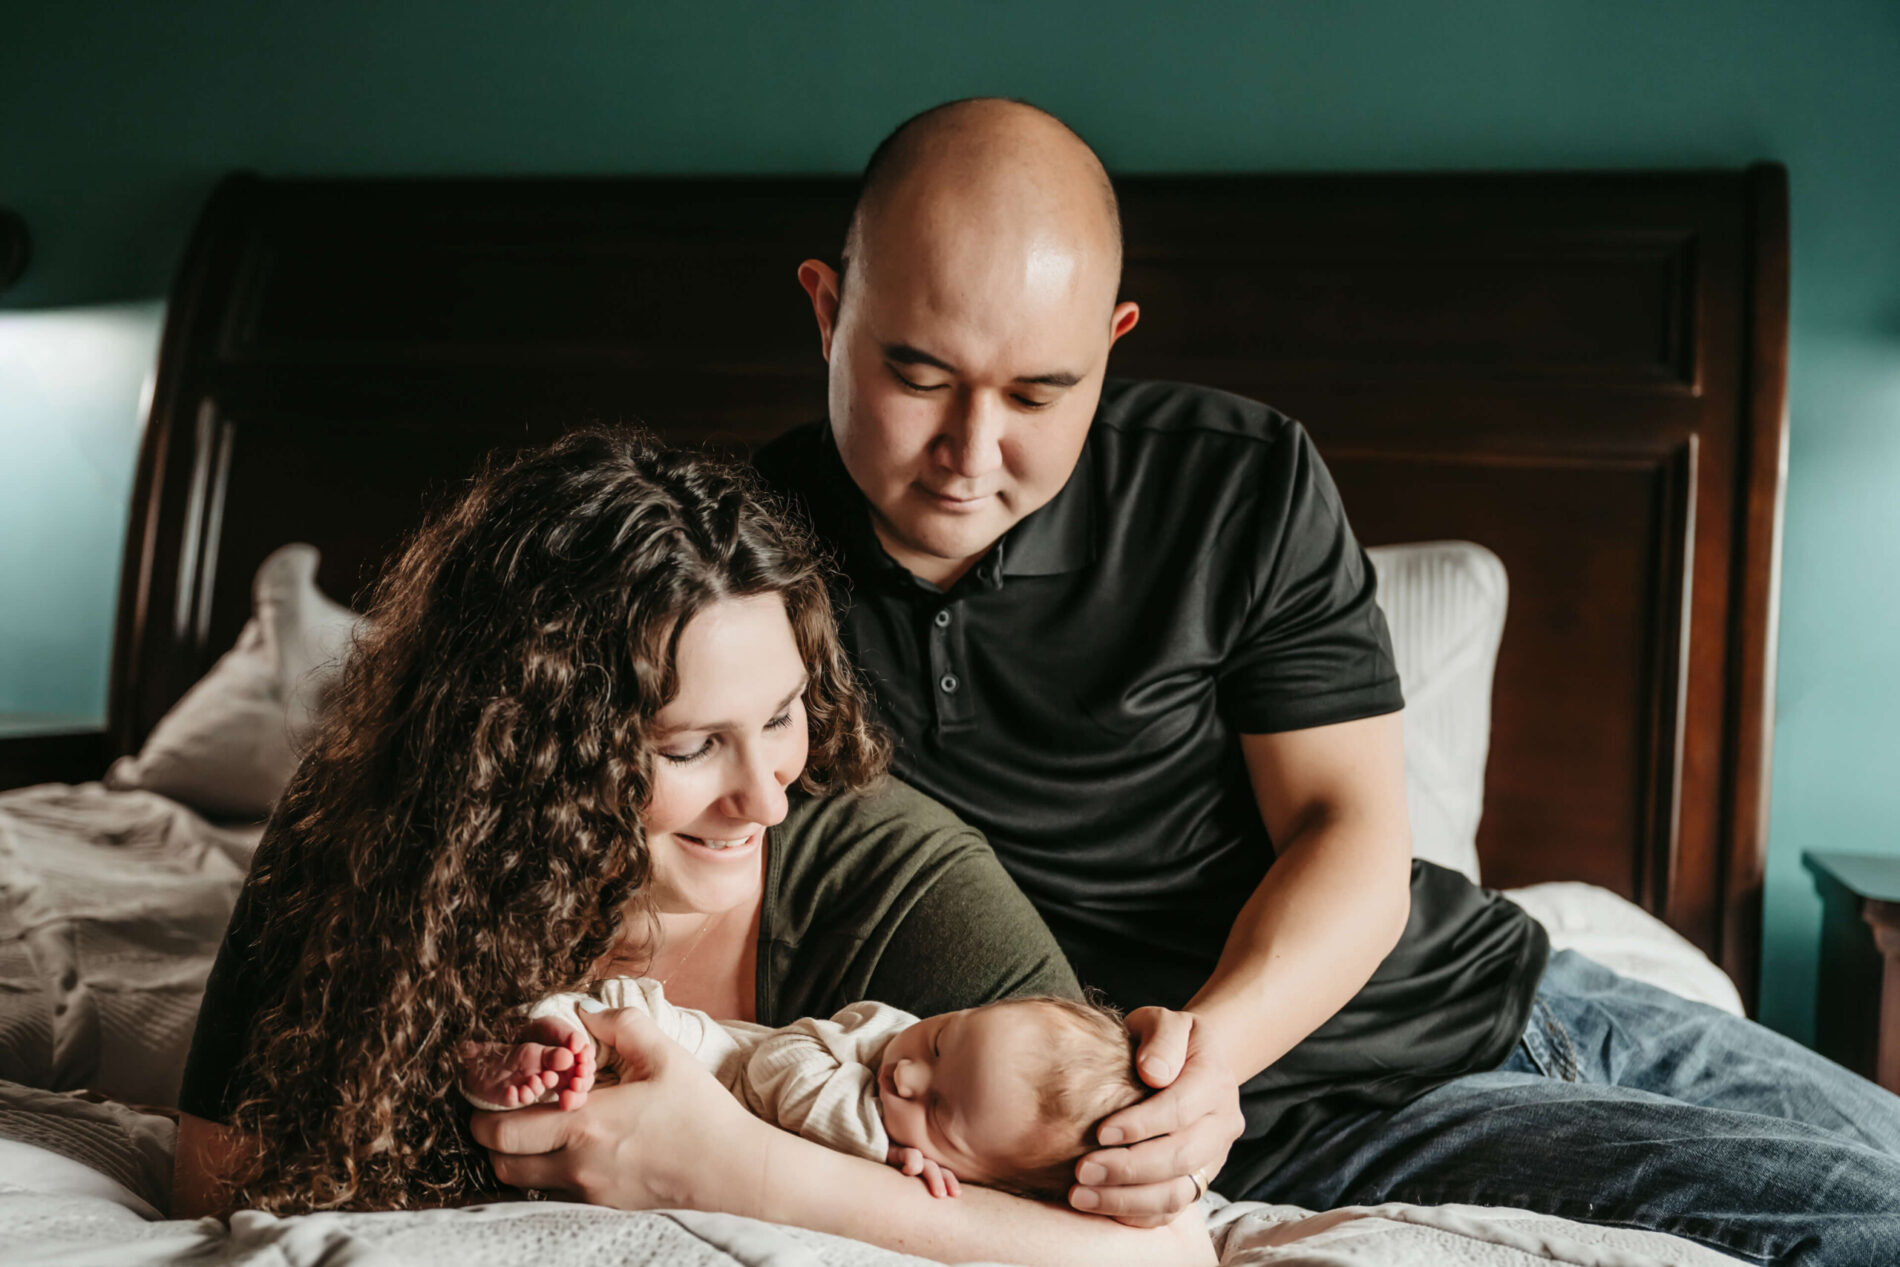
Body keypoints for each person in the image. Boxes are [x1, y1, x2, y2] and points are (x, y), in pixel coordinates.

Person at [481, 98, 1900, 1266]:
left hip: (1480, 996)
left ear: (1111, 347)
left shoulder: (1238, 481)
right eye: (918, 374)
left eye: (1037, 393)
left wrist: (1207, 1055)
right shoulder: (735, 579)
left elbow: (1351, 829)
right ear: (827, 307)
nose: (970, 450)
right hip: (1300, 1134)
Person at [170, 430, 1213, 1266]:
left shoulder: (893, 877)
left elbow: (1169, 1251)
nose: (767, 795)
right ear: (525, 756)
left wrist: (736, 1170)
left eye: (783, 713)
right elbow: (216, 1180)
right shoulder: (374, 831)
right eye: (690, 745)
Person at [461, 980, 1147, 1200]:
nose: (907, 1072)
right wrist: (882, 1144)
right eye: (941, 1040)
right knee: (609, 1016)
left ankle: (535, 1070)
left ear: (983, 1181)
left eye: (938, 1111)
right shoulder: (889, 1039)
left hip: (672, 1114)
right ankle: (528, 1042)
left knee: (570, 1098)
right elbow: (776, 1065)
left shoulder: (932, 1184)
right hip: (706, 1054)